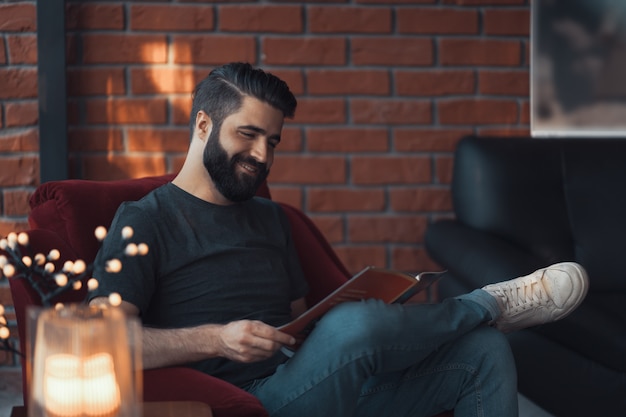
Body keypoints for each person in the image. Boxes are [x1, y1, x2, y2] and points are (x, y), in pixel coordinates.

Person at [89, 62, 589, 417]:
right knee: (354, 324)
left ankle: (478, 317)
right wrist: (216, 338)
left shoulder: (271, 218)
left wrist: (375, 314)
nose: (262, 155)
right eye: (248, 135)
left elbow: (305, 326)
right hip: (246, 402)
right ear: (203, 124)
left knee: (483, 353)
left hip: (316, 382)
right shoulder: (143, 220)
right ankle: (490, 303)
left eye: (273, 141)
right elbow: (104, 341)